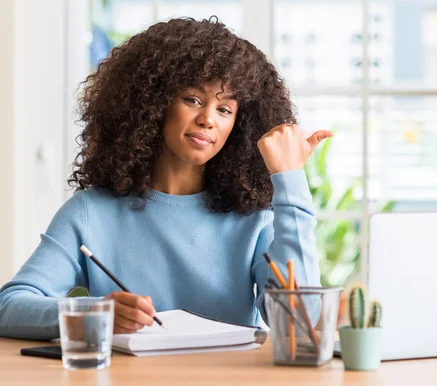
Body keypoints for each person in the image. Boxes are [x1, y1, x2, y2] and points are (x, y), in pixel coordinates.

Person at [0, 17, 332, 340]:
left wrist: (290, 181)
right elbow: (10, 306)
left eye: (224, 109)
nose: (207, 120)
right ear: (154, 103)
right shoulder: (90, 212)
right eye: (193, 99)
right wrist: (96, 314)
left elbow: (299, 322)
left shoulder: (252, 219)